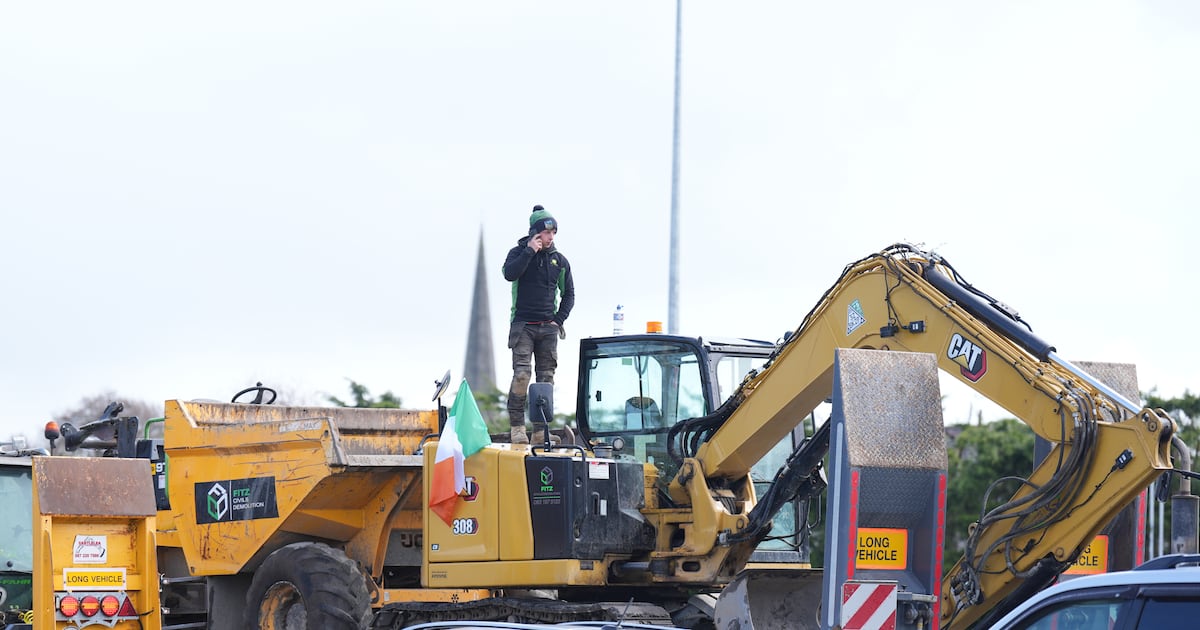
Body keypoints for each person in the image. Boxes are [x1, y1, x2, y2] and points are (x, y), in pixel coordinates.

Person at [502, 205, 575, 444]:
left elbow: (569, 294)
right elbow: (509, 274)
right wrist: (529, 252)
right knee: (522, 375)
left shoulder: (560, 261)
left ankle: (541, 431)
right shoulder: (517, 253)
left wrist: (558, 320)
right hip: (523, 325)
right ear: (535, 233)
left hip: (548, 328)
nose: (551, 237)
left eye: (554, 233)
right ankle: (517, 428)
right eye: (547, 232)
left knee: (546, 379)